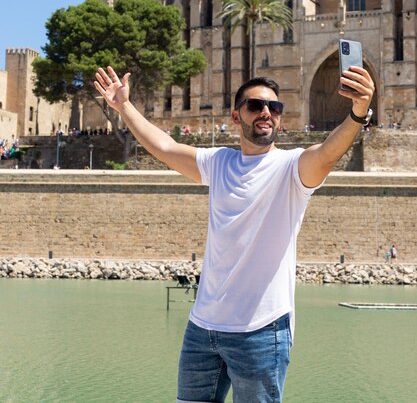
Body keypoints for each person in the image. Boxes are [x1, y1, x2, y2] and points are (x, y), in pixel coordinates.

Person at [94, 64, 374, 403]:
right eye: (255, 106)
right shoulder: (219, 162)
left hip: (261, 332)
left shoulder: (292, 168)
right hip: (202, 329)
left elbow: (328, 154)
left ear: (281, 118)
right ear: (236, 116)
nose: (266, 113)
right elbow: (165, 148)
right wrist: (124, 107)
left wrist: (358, 112)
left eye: (274, 108)